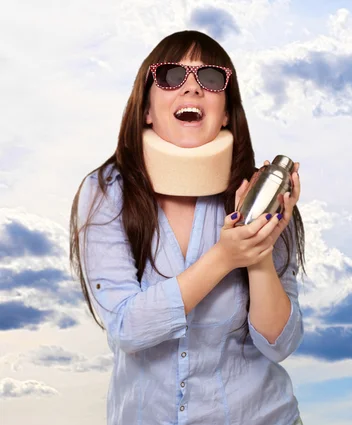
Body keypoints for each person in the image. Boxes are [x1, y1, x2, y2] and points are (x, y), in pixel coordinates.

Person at [69, 30, 307, 425]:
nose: (192, 89)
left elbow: (279, 345)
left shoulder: (259, 196)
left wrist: (257, 253)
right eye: (171, 76)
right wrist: (223, 257)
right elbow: (128, 328)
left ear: (227, 112)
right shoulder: (106, 192)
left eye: (211, 79)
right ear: (146, 108)